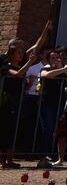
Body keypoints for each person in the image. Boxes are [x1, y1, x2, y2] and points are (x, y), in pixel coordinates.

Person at [1, 22, 49, 168]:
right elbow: (17, 74)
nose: (22, 52)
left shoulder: (20, 61)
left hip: (17, 100)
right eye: (18, 50)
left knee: (12, 130)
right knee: (4, 129)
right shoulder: (4, 64)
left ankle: (9, 160)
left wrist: (46, 30)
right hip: (6, 100)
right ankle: (3, 160)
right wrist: (29, 63)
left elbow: (36, 45)